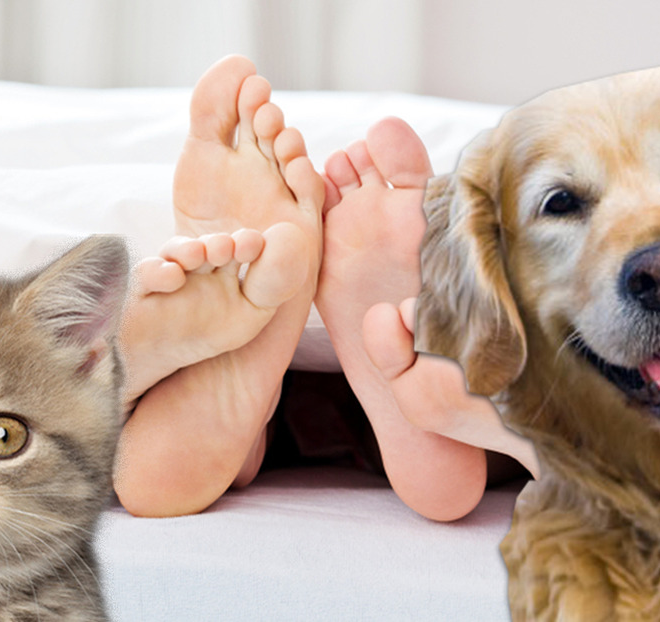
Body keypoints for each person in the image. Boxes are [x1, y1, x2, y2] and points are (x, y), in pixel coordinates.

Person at [113, 55, 537, 522]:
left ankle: (226, 332)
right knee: (520, 401)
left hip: (274, 415)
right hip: (372, 418)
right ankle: (421, 377)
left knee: (109, 416)